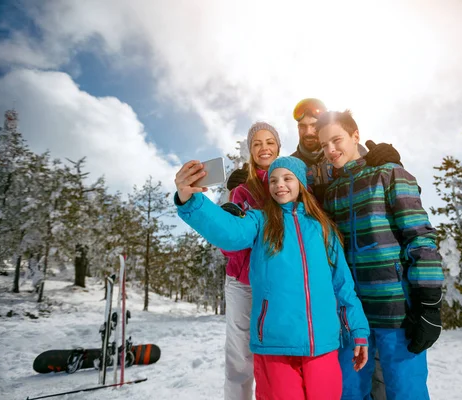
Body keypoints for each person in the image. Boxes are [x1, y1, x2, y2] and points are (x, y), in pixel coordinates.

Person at [175, 156, 370, 400]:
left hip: (322, 344)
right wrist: (190, 200)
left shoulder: (322, 227)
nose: (280, 185)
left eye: (287, 178)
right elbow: (229, 232)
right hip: (275, 344)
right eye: (274, 180)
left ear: (301, 183)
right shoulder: (260, 221)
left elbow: (343, 285)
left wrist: (358, 331)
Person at [317, 110, 444, 400]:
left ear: (355, 136)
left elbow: (420, 237)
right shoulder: (333, 192)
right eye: (324, 145)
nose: (330, 150)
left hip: (395, 308)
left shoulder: (388, 173)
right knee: (348, 391)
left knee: (405, 390)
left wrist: (429, 304)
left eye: (336, 140)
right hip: (353, 314)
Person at [227, 98, 402, 205]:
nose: (309, 132)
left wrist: (391, 163)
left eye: (313, 126)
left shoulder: (348, 152)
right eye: (302, 127)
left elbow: (393, 193)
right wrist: (247, 184)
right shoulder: (292, 165)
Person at [220, 122, 281, 400]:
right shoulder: (240, 190)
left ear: (278, 147)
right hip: (243, 282)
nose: (264, 147)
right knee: (240, 358)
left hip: (277, 282)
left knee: (276, 354)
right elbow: (226, 241)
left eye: (270, 142)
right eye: (257, 143)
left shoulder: (288, 182)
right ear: (250, 150)